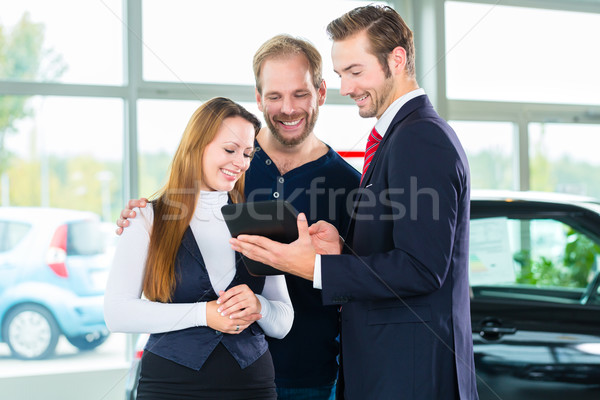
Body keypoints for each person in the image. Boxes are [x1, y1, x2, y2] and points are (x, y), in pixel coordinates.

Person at [230, 5, 479, 400]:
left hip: (408, 375)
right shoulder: (399, 137)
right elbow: (407, 253)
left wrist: (317, 267)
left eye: (355, 71)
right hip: (393, 371)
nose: (346, 87)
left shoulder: (419, 138)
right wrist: (340, 251)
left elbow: (423, 269)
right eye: (342, 74)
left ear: (396, 60)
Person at [115, 36, 361, 399]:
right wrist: (141, 220)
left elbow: (361, 284)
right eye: (275, 96)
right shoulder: (226, 171)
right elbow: (178, 221)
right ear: (259, 98)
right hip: (206, 373)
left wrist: (332, 259)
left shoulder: (348, 183)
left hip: (308, 372)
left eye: (300, 94)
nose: (288, 108)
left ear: (321, 93)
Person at [104, 97, 294, 400]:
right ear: (196, 146)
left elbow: (283, 322)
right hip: (170, 386)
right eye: (230, 150)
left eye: (247, 153)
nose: (241, 163)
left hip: (252, 386)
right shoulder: (147, 218)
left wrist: (260, 306)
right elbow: (116, 313)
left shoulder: (260, 220)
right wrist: (204, 314)